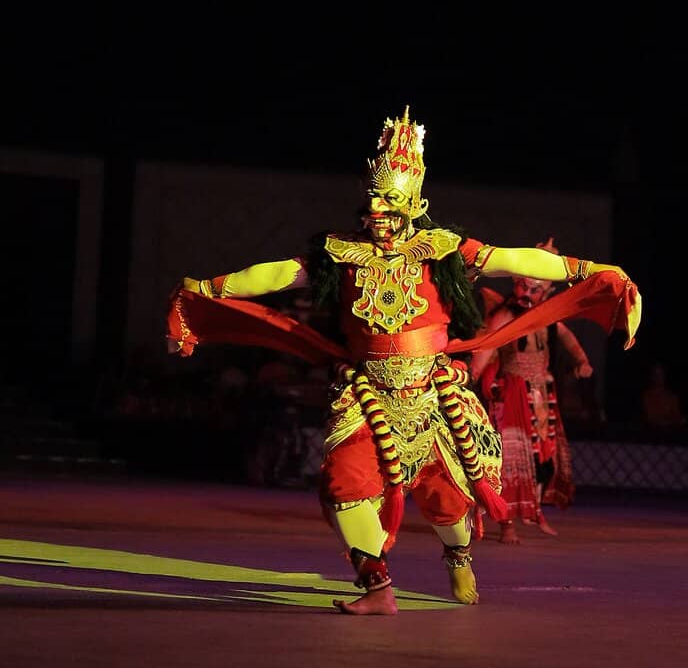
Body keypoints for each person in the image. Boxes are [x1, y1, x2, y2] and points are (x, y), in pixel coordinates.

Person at [166, 107, 641, 615]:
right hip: (366, 394)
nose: (380, 210)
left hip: (432, 395)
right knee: (343, 484)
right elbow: (279, 274)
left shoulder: (443, 251)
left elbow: (516, 258)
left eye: (391, 200)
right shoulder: (341, 255)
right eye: (374, 200)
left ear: (416, 203)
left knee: (448, 503)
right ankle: (377, 587)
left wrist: (586, 269)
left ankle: (458, 555)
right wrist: (213, 288)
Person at [467, 240, 594, 544]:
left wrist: (583, 361)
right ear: (515, 282)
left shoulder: (549, 317)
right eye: (524, 287)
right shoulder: (505, 316)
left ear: (548, 292)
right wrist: (469, 376)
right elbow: (486, 348)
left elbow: (568, 340)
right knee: (511, 462)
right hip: (512, 396)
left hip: (542, 397)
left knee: (541, 461)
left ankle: (534, 513)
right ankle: (506, 523)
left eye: (536, 290)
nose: (527, 294)